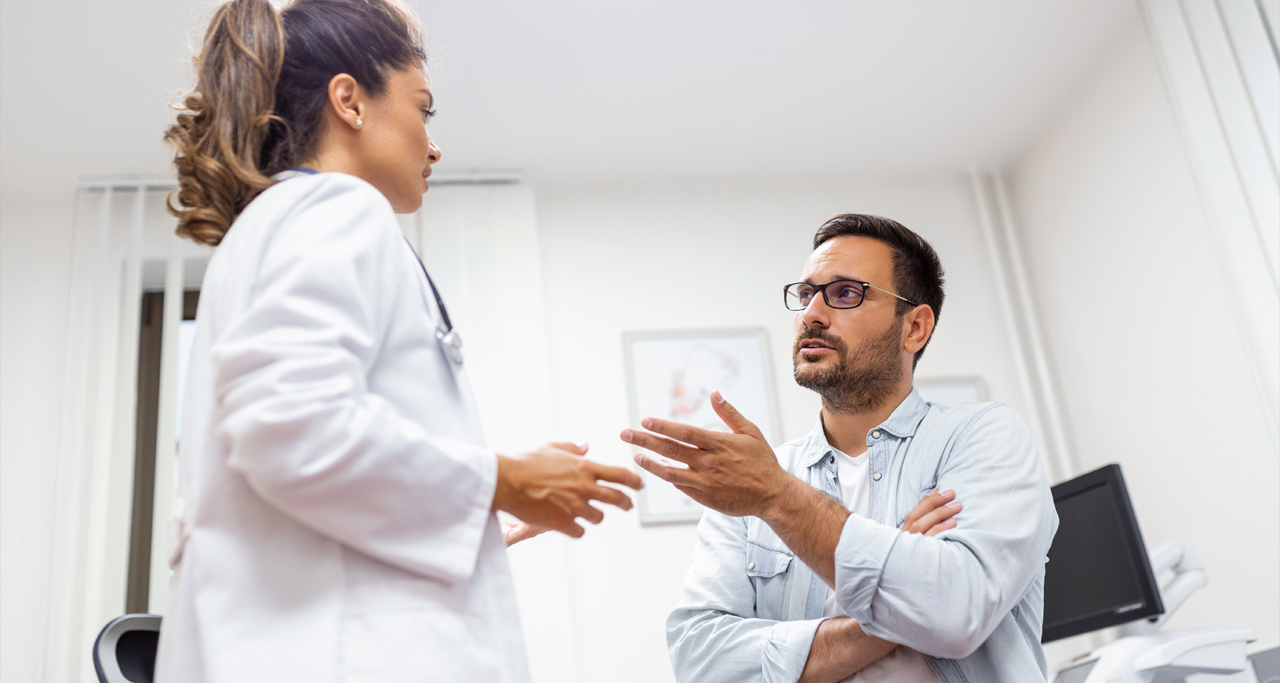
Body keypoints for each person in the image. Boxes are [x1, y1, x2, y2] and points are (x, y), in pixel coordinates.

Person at [153, 1, 642, 681]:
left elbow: (289, 487)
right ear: (349, 101)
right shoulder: (334, 208)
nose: (434, 143)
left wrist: (482, 517)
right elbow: (289, 426)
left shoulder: (273, 226)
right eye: (424, 108)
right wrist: (503, 478)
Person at [623, 214, 1059, 682]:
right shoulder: (755, 477)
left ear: (915, 327)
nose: (811, 313)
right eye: (806, 293)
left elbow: (957, 613)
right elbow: (701, 662)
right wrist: (896, 606)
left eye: (845, 293)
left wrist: (778, 498)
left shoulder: (981, 436)